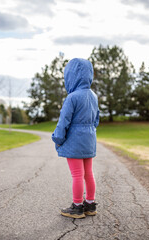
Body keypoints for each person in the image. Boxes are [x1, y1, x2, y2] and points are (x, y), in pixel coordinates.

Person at [52, 58, 100, 219]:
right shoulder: (93, 96)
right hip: (89, 141)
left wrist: (58, 139)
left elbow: (63, 121)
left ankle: (77, 206)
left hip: (74, 142)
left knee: (77, 175)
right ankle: (90, 204)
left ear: (71, 76)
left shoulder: (72, 97)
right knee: (88, 173)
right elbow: (96, 120)